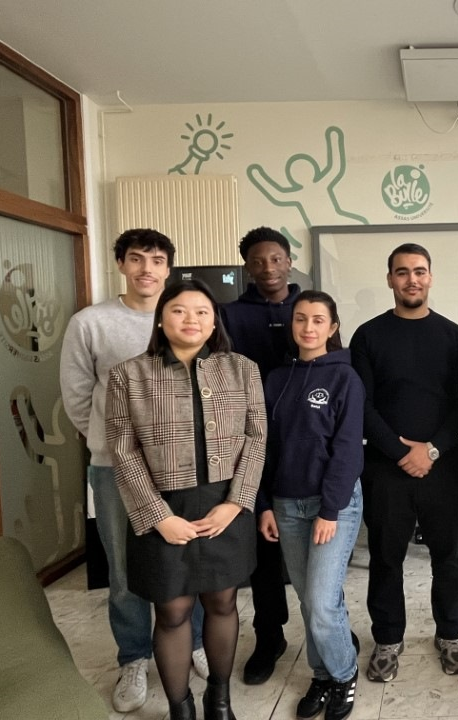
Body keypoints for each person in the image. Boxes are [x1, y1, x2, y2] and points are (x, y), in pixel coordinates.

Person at [59, 228, 208, 713]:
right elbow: (78, 396)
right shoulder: (91, 323)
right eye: (138, 259)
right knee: (124, 570)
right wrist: (106, 441)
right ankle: (134, 656)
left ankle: (198, 641)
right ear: (121, 264)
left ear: (169, 268)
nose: (148, 269)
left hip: (184, 469)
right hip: (112, 469)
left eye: (158, 260)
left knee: (192, 560)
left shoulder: (186, 315)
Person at [106, 279, 267, 720]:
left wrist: (236, 503)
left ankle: (220, 698)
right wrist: (158, 517)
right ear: (162, 318)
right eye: (179, 310)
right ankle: (181, 707)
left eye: (201, 311)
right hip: (163, 507)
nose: (191, 319)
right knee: (172, 610)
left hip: (224, 503)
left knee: (222, 602)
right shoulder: (129, 374)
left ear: (214, 320)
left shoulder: (242, 369)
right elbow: (123, 451)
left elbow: (257, 438)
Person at [349, 243, 458, 681]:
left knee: (448, 555)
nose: (412, 280)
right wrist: (401, 452)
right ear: (390, 280)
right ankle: (387, 639)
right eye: (402, 272)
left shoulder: (455, 337)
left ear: (431, 278)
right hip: (385, 465)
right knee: (386, 556)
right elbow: (361, 404)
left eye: (419, 271)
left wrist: (431, 450)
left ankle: (452, 635)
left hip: (445, 464)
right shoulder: (367, 336)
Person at [258, 290, 363, 720]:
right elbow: (261, 447)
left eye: (318, 320)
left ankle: (344, 673)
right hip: (285, 504)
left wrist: (330, 510)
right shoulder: (275, 378)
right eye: (300, 319)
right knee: (308, 599)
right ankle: (321, 674)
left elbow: (347, 452)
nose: (308, 327)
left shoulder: (345, 378)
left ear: (333, 328)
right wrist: (264, 504)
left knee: (321, 602)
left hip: (331, 504)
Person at [218, 226, 297, 684]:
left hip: (302, 441)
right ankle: (270, 636)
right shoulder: (228, 315)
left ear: (289, 260)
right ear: (247, 265)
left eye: (276, 258)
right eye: (258, 260)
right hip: (249, 443)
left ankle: (328, 631)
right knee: (262, 550)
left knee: (311, 549)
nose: (268, 267)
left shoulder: (310, 308)